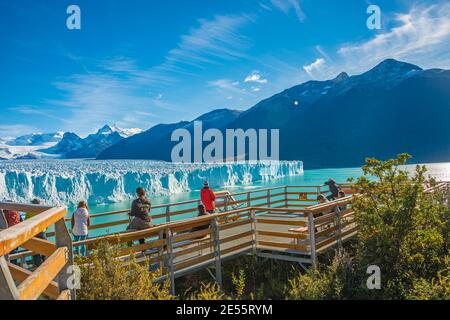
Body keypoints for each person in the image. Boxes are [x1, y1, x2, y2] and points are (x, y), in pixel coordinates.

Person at [26, 199, 46, 267]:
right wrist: (45, 229)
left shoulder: (29, 211)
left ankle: (38, 265)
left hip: (34, 233)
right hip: (42, 232)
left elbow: (26, 223)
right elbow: (47, 221)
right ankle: (46, 262)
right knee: (45, 248)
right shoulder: (42, 211)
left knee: (35, 250)